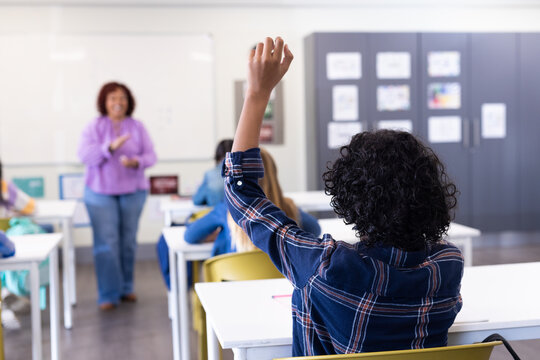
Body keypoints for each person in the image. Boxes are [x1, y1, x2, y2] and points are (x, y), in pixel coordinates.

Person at [223, 37, 462, 355]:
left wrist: (256, 96)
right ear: (430, 193)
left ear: (351, 200)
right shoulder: (447, 264)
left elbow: (243, 194)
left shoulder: (327, 267)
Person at [78, 82, 156, 311]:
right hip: (99, 194)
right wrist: (109, 147)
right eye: (112, 98)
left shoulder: (137, 126)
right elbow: (84, 155)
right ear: (104, 102)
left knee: (128, 242)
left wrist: (137, 162)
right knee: (106, 244)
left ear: (128, 101)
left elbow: (151, 155)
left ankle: (125, 288)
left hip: (133, 192)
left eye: (122, 98)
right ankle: (108, 294)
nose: (118, 102)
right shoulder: (94, 126)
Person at [184, 147, 321, 256]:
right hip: (279, 286)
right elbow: (315, 229)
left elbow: (190, 236)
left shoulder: (227, 208)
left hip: (233, 286)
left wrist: (218, 234)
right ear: (274, 174)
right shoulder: (287, 207)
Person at [192, 139, 234, 207]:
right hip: (239, 216)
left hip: (217, 215)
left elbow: (197, 200)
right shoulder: (244, 174)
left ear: (217, 155)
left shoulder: (210, 175)